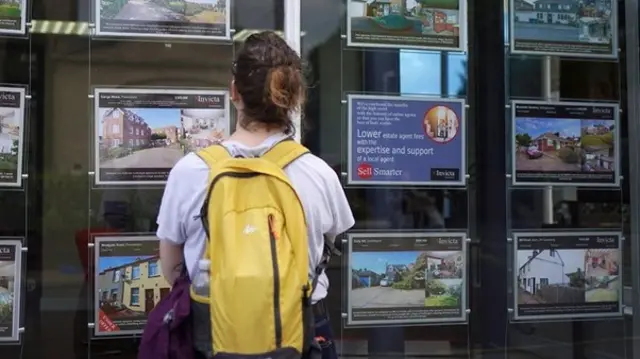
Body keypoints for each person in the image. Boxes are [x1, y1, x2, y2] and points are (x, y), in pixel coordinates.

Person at [156, 31, 354, 359]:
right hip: (303, 331)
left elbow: (171, 266)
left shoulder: (190, 172)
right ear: (295, 97)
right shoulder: (319, 174)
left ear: (234, 91)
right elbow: (331, 243)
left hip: (215, 331)